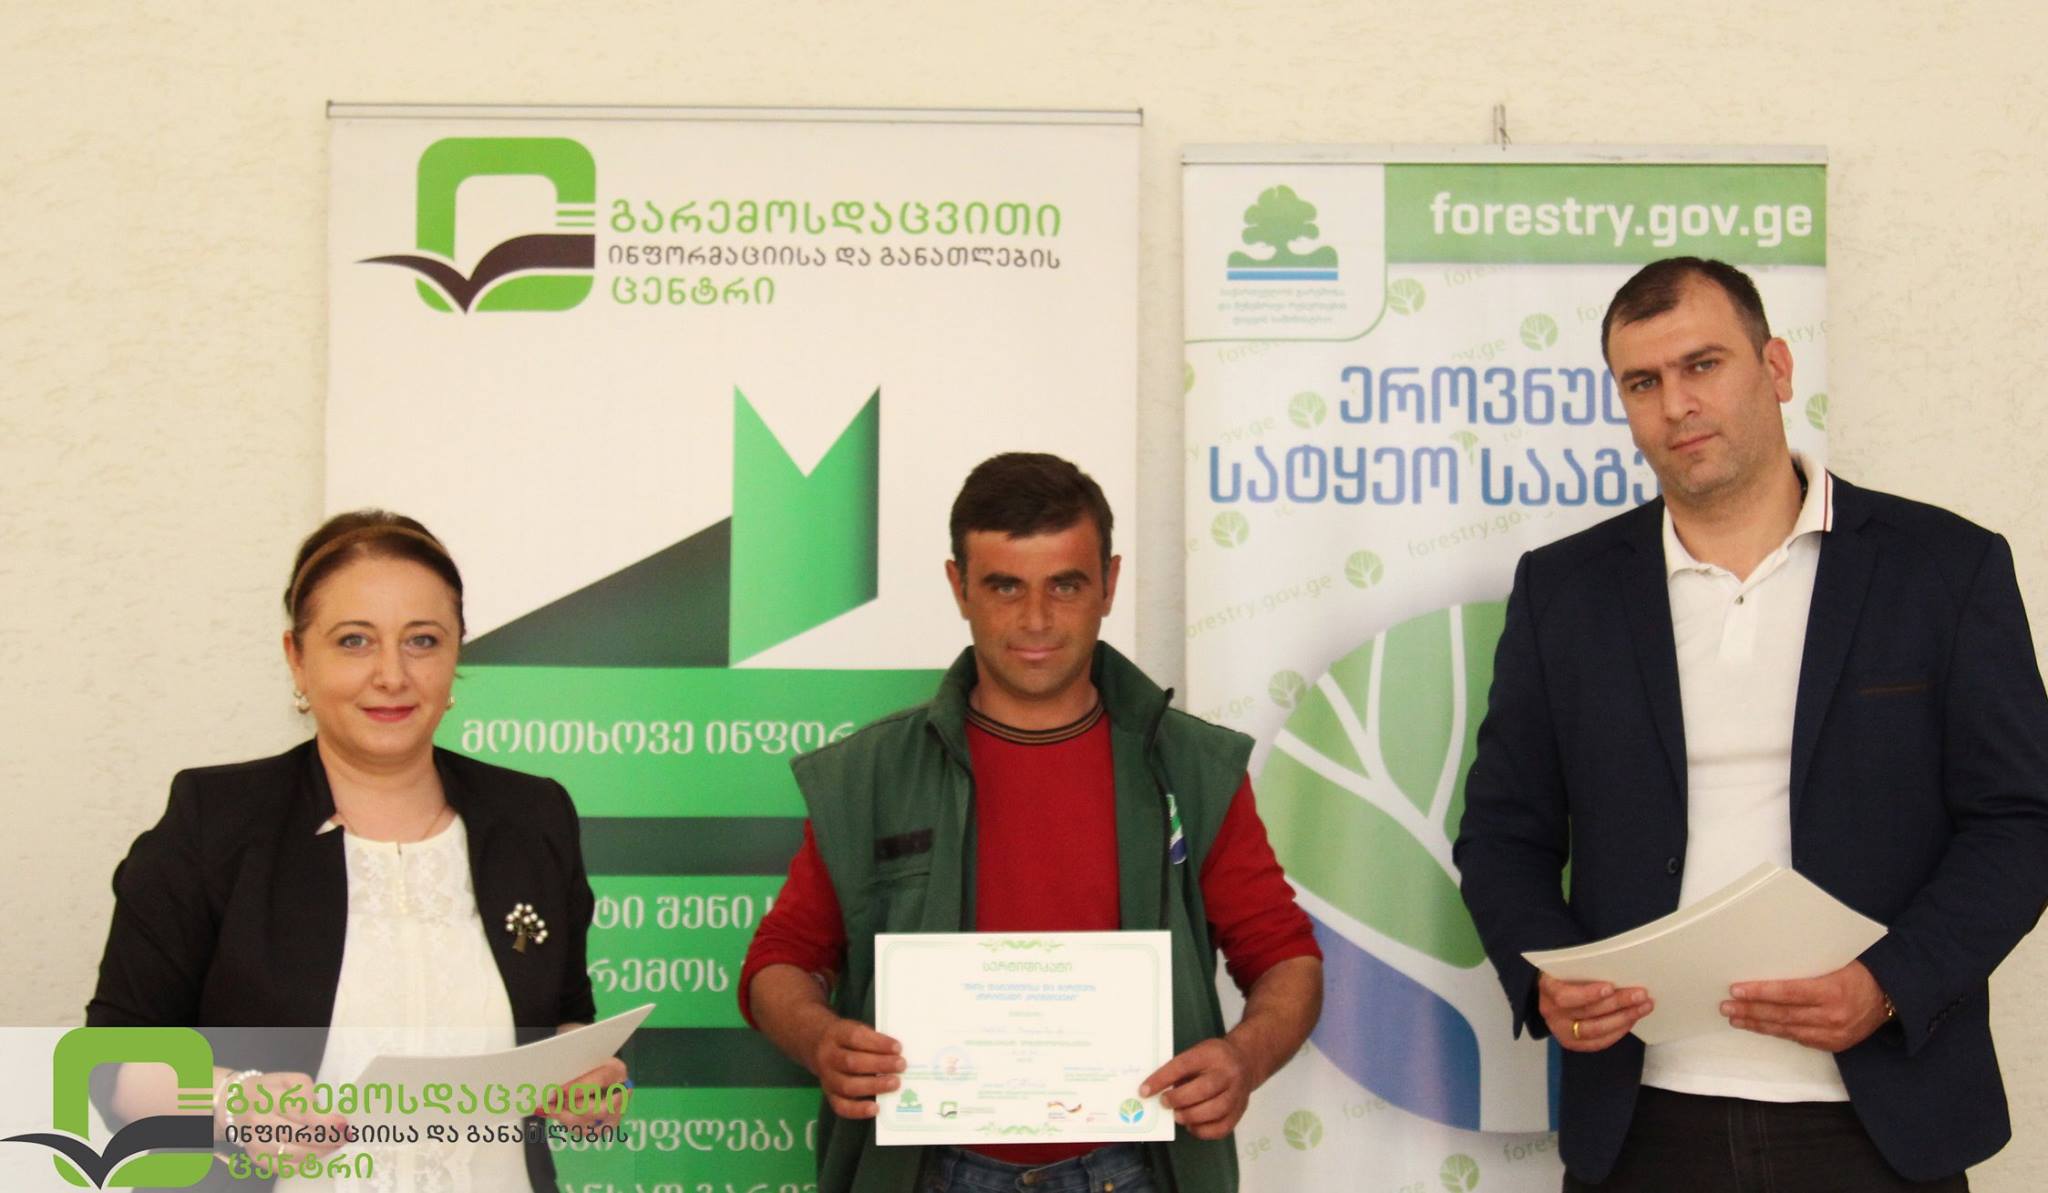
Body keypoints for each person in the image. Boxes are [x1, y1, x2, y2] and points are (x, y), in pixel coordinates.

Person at [1453, 257, 2048, 1191]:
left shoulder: (1944, 568)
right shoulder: (1563, 591)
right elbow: (1501, 833)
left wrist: (1892, 982)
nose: (1676, 404)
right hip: (1641, 1119)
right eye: (1642, 382)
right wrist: (1545, 977)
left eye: (1703, 364)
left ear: (1775, 367)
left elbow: (2022, 819)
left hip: (1881, 1118)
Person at [739, 453, 1324, 1193]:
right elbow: (780, 961)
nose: (1037, 619)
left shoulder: (1193, 767)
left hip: (1136, 1170)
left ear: (1109, 583)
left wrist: (1245, 1057)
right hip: (925, 1171)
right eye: (1005, 586)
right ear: (959, 587)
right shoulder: (872, 773)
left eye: (1066, 585)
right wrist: (820, 1038)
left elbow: (1284, 956)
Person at [86, 511, 626, 1191]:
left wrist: (587, 1075)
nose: (392, 674)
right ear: (297, 657)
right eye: (354, 641)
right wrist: (232, 1101)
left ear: (457, 653)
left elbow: (567, 1014)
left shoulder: (532, 816)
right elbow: (109, 1063)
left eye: (422, 640)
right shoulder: (214, 821)